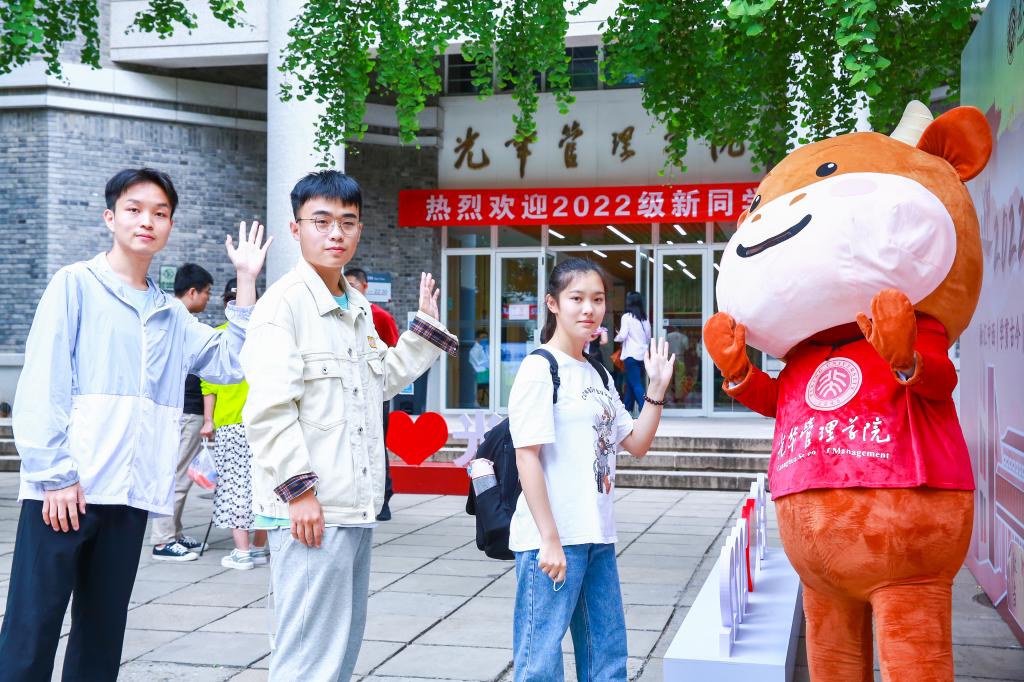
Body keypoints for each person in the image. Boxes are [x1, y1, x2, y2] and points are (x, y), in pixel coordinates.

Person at [0, 168, 270, 681]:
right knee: (30, 631)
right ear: (110, 217)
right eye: (134, 209)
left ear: (170, 225)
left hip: (129, 496)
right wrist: (54, 475)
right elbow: (42, 382)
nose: (147, 221)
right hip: (66, 492)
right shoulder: (75, 285)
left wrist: (247, 280)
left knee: (102, 636)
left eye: (160, 213)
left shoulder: (171, 313)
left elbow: (232, 363)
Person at [242, 170, 458, 681]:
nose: (335, 233)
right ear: (296, 229)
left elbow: (378, 380)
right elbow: (269, 410)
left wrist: (423, 331)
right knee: (307, 655)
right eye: (321, 221)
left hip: (351, 502)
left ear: (360, 229)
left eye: (347, 221)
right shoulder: (282, 307)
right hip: (310, 507)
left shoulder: (355, 305)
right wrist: (299, 493)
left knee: (339, 647)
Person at [507, 257, 674, 681]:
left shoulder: (598, 372)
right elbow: (527, 456)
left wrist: (655, 389)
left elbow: (636, 443)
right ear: (553, 303)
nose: (589, 309)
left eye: (597, 299)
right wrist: (549, 540)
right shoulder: (539, 368)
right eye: (577, 298)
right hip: (553, 540)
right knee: (539, 663)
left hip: (597, 536)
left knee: (607, 658)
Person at [201, 278, 269, 570]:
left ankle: (242, 552)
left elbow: (208, 385)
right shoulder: (267, 338)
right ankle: (259, 548)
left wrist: (208, 420)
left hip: (230, 423)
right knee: (264, 485)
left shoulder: (219, 336)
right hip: (264, 422)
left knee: (234, 486)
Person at [150, 262, 215, 562]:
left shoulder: (172, 318)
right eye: (206, 292)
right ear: (192, 292)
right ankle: (163, 540)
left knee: (178, 474)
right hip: (186, 411)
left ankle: (173, 533)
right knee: (176, 476)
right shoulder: (177, 321)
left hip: (183, 410)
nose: (208, 298)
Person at [345, 266, 399, 521]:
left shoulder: (379, 316)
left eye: (354, 285)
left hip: (375, 390)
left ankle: (384, 497)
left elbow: (394, 353)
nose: (350, 289)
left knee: (376, 441)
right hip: (348, 390)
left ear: (365, 287)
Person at [614, 291, 652, 414]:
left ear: (629, 302)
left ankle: (645, 410)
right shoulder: (644, 319)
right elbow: (648, 337)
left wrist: (616, 337)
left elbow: (623, 335)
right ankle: (627, 411)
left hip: (631, 355)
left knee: (636, 384)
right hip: (643, 355)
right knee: (631, 384)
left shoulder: (627, 317)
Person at [469, 329, 490, 407]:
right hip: (478, 375)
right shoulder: (474, 350)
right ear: (477, 339)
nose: (485, 339)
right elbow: (478, 364)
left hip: (485, 375)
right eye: (483, 337)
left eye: (486, 337)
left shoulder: (485, 348)